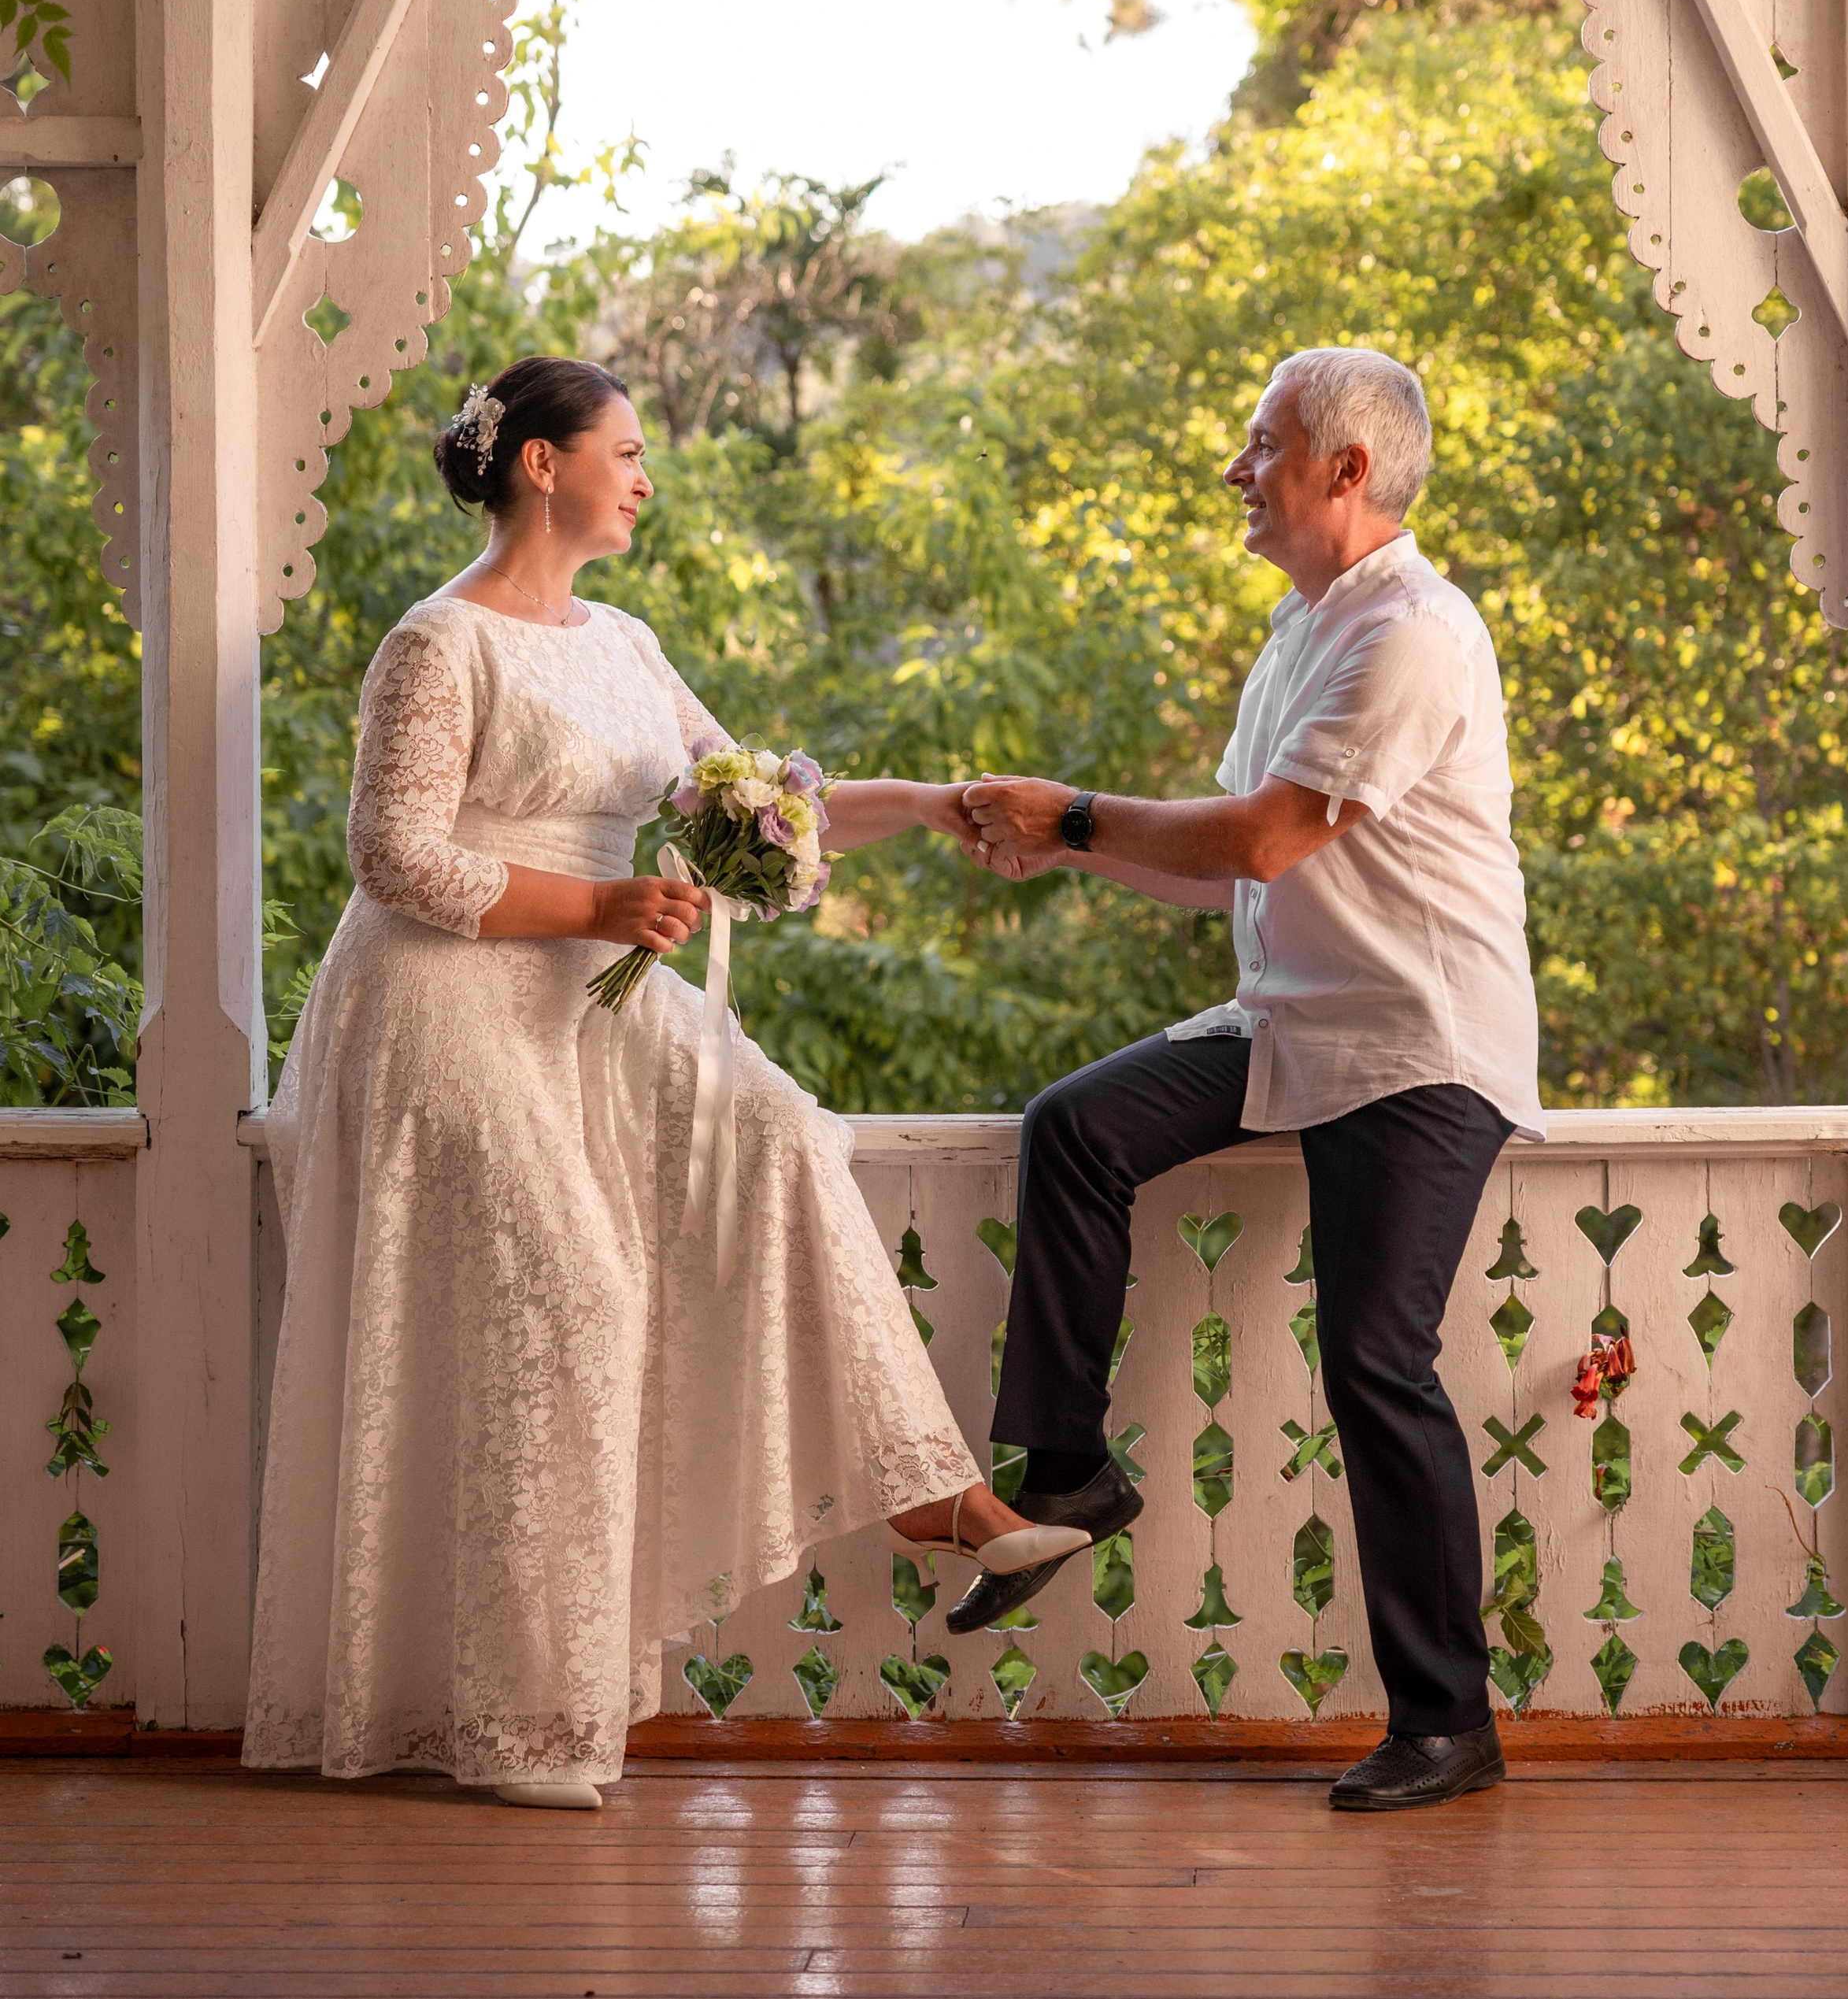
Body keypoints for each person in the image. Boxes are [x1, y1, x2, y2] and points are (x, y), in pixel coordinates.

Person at [243, 356, 1087, 1808]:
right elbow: (393, 857)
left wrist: (938, 804)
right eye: (626, 451)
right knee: (572, 1294)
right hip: (443, 995)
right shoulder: (436, 645)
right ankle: (522, 1719)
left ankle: (926, 1490)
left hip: (588, 986)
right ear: (539, 466)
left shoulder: (625, 641)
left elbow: (752, 792)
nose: (646, 476)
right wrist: (601, 910)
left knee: (777, 1127)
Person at [957, 346, 1542, 1815]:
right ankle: (1073, 1463)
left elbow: (1269, 835)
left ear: (1347, 470)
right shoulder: (1300, 632)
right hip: (1285, 1019)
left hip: (1417, 1044)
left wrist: (1078, 809)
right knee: (1073, 1128)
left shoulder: (1412, 630)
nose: (1238, 467)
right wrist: (1064, 841)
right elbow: (1234, 863)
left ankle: (1446, 1717)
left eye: (1262, 441)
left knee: (1373, 1361)